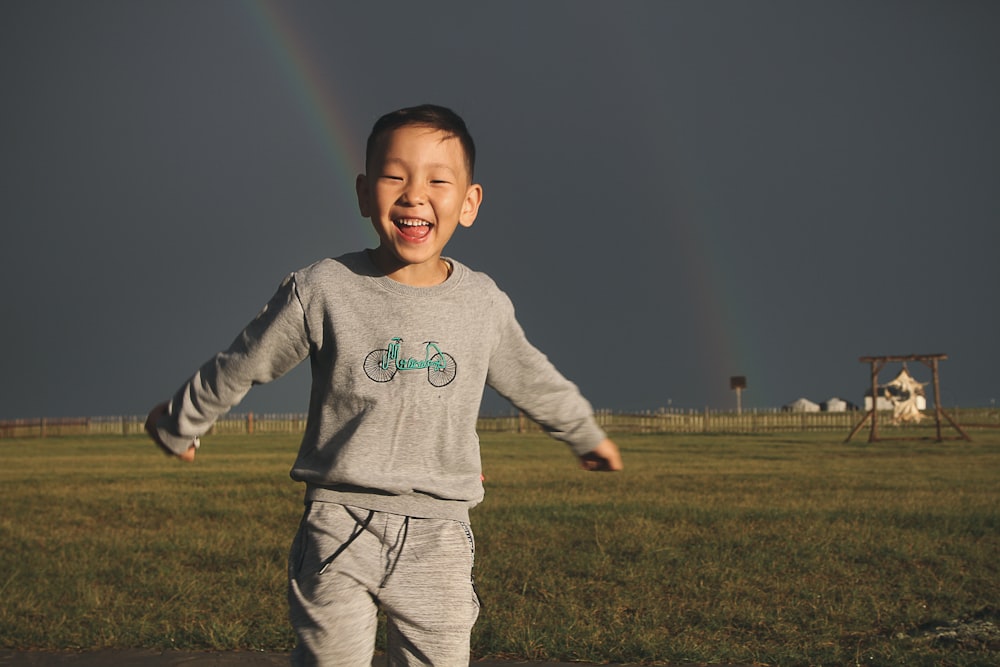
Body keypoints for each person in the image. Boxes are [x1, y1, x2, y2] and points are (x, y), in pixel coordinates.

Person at [145, 104, 623, 666]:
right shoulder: (323, 288)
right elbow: (245, 361)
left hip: (440, 535)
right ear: (364, 192)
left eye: (438, 181)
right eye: (396, 176)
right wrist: (181, 421)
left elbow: (532, 377)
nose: (414, 194)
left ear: (468, 204)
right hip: (338, 526)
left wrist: (585, 435)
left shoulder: (482, 305)